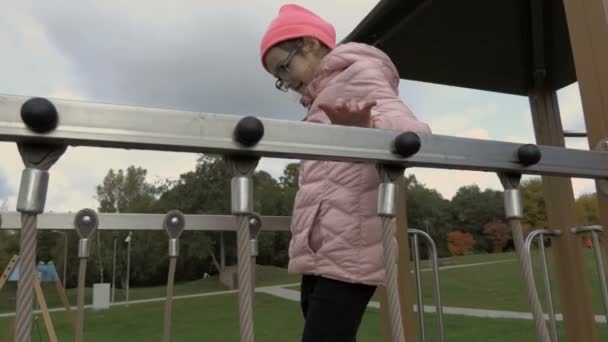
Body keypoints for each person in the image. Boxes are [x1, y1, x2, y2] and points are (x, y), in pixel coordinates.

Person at [260, 4, 431, 341]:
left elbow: (413, 135)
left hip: (352, 246)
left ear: (309, 44)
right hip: (321, 250)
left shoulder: (359, 74)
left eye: (284, 67)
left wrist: (367, 130)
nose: (285, 80)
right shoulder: (319, 99)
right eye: (278, 79)